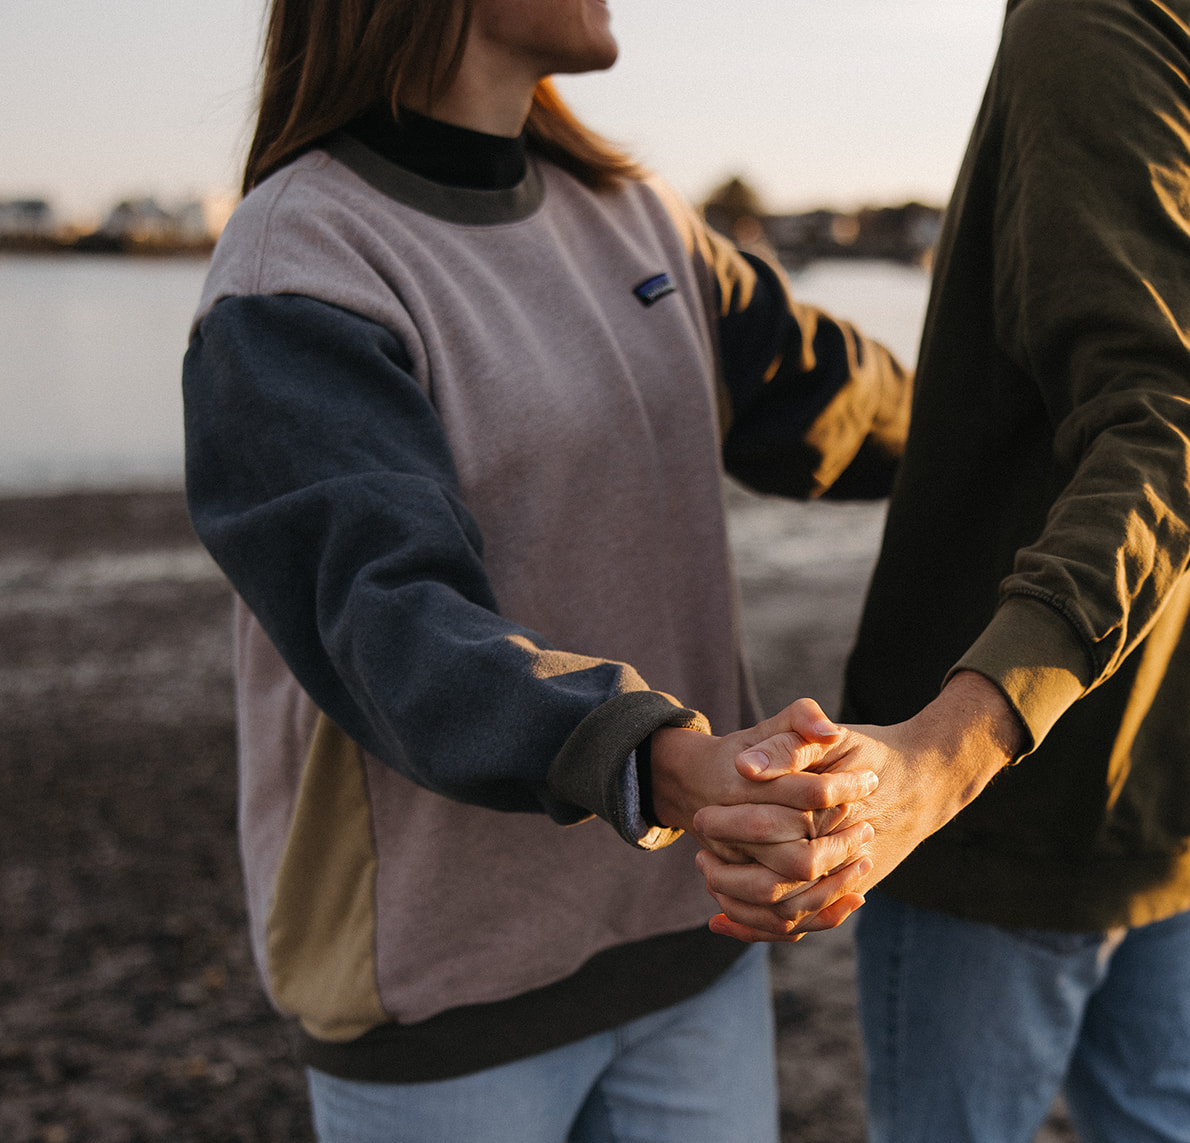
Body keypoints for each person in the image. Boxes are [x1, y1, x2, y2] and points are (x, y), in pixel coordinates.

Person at [180, 0, 904, 1139]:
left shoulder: (637, 220)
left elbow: (849, 408)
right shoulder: (298, 263)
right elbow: (389, 620)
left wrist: (1072, 403)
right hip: (443, 996)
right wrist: (661, 762)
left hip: (686, 949)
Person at [694, 0, 1190, 1140]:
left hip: (1028, 795)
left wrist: (940, 755)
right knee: (1175, 1119)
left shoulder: (1091, 21)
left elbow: (1170, 426)